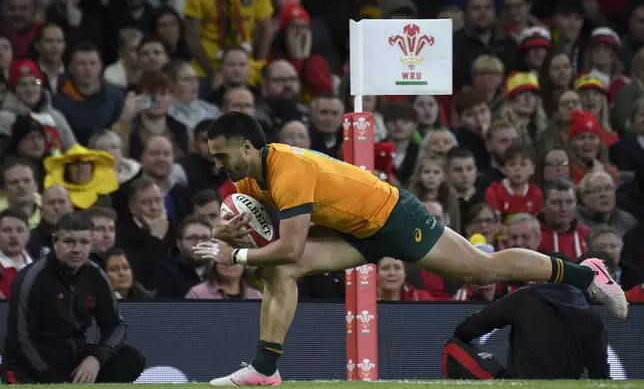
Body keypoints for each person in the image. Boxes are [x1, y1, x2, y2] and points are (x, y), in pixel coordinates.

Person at [194, 111, 626, 386]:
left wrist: (237, 256)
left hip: (392, 217)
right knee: (280, 273)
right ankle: (264, 372)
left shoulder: (288, 170)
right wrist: (225, 234)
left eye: (221, 155)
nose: (217, 165)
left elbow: (290, 247)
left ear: (246, 146)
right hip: (354, 228)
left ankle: (587, 275)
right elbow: (236, 220)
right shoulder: (247, 178)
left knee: (482, 270)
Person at [0, 213, 146, 384]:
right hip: (31, 362)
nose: (77, 249)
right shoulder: (31, 278)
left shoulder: (96, 276)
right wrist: (55, 381)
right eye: (69, 242)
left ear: (92, 243)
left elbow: (117, 326)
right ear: (55, 241)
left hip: (73, 357)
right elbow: (21, 339)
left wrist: (96, 358)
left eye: (84, 242)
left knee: (131, 359)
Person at [445, 269, 610, 379]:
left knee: (453, 346)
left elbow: (473, 325)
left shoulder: (525, 297)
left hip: (515, 383)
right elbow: (600, 372)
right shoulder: (591, 316)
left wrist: (462, 336)